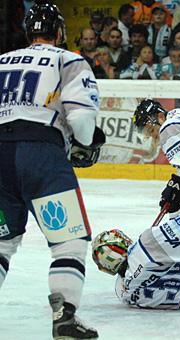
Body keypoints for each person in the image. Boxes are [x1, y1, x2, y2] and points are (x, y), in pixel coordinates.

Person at [0, 1, 103, 339]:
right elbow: (81, 117)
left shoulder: (1, 61)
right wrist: (85, 144)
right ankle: (65, 317)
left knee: (1, 244)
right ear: (59, 32)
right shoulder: (68, 59)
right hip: (40, 155)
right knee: (68, 240)